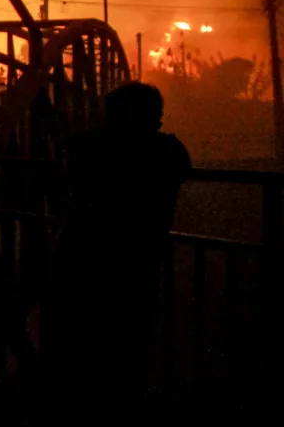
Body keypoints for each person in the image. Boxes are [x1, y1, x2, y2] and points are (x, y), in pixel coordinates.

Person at [40, 82, 191, 419]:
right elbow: (182, 164)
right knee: (129, 343)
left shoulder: (87, 147)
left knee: (77, 347)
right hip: (138, 261)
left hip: (80, 260)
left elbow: (70, 172)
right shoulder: (166, 152)